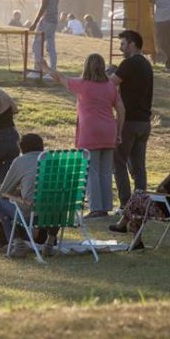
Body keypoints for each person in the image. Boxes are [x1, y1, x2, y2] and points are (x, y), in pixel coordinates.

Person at [43, 53, 125, 217]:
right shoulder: (110, 86)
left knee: (91, 171)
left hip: (90, 132)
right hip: (109, 130)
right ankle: (106, 206)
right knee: (105, 171)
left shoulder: (81, 84)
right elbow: (121, 110)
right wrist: (119, 130)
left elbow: (60, 78)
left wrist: (45, 67)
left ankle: (95, 207)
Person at [109, 142, 170, 250]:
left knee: (137, 197)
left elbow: (160, 190)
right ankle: (130, 234)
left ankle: (124, 225)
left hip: (167, 210)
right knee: (138, 200)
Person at [0, 133, 58, 258]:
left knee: (0, 202)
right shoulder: (54, 159)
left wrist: (19, 191)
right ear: (41, 146)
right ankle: (49, 243)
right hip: (58, 215)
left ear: (21, 148)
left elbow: (3, 191)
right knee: (55, 201)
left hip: (32, 215)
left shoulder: (21, 161)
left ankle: (17, 243)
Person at [112, 30, 153, 211]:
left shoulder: (129, 64)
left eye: (123, 44)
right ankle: (140, 204)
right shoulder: (146, 64)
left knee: (118, 161)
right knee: (139, 167)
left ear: (132, 44)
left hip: (129, 121)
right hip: (144, 122)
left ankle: (125, 204)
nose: (121, 48)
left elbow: (109, 83)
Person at [28, 0, 60, 77]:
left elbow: (44, 6)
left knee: (36, 44)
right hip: (54, 19)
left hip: (47, 20)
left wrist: (35, 22)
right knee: (50, 45)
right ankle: (53, 71)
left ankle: (37, 70)